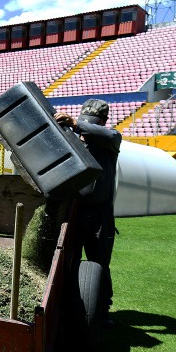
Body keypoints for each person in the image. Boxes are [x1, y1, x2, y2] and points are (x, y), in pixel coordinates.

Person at [54, 99, 122, 328]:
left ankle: (101, 311)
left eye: (89, 124)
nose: (83, 128)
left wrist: (75, 123)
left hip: (100, 216)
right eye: (82, 122)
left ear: (103, 122)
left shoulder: (110, 141)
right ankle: (71, 306)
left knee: (99, 263)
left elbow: (111, 136)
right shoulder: (76, 139)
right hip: (74, 212)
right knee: (67, 260)